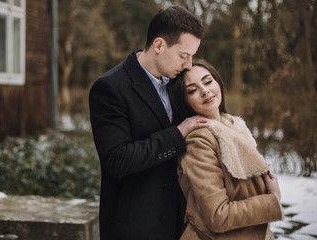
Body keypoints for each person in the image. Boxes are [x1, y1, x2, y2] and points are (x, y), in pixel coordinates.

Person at [89, 5, 207, 240]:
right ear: (159, 45)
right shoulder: (110, 88)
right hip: (134, 228)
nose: (189, 65)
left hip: (179, 225)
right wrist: (177, 134)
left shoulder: (179, 84)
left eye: (192, 56)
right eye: (184, 55)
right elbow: (117, 160)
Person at [168, 59, 284, 240]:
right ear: (184, 102)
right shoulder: (199, 141)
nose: (205, 90)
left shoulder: (234, 126)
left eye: (207, 81)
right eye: (192, 90)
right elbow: (218, 216)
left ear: (217, 82)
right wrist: (272, 199)